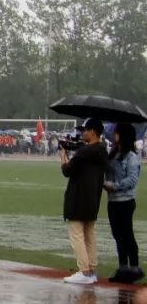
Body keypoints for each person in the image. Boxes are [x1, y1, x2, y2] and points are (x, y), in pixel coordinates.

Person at [59, 118, 108, 285]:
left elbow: (68, 170)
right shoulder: (102, 150)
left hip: (78, 197)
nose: (82, 133)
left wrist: (63, 156)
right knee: (89, 234)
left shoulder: (85, 152)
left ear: (93, 131)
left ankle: (84, 271)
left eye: (85, 130)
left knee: (77, 234)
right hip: (93, 198)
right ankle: (92, 270)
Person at [106, 123, 142, 283]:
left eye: (117, 132)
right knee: (117, 235)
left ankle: (134, 268)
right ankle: (123, 267)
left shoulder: (132, 157)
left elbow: (132, 179)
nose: (114, 134)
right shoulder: (113, 154)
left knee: (127, 234)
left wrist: (114, 186)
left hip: (126, 201)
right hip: (113, 201)